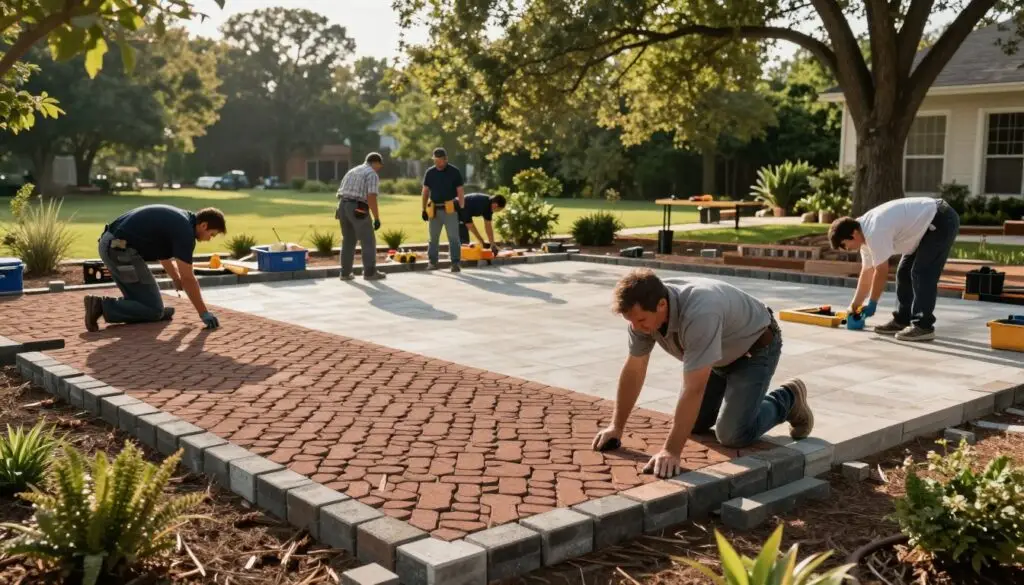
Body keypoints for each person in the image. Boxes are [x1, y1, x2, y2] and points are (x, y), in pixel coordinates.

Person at [591, 269, 814, 479]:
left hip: (754, 350)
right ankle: (737, 399)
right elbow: (634, 370)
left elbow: (693, 388)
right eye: (630, 322)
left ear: (661, 304)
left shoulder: (700, 312)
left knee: (732, 434)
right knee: (693, 423)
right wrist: (616, 427)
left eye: (640, 321)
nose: (636, 328)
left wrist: (671, 450)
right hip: (717, 356)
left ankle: (788, 398)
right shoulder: (642, 315)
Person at [828, 197, 960, 342]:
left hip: (940, 220)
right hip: (925, 226)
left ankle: (923, 326)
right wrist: (854, 306)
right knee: (904, 272)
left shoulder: (874, 230)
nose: (848, 249)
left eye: (845, 245)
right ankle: (902, 320)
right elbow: (867, 272)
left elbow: (881, 271)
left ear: (853, 234)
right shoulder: (864, 234)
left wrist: (872, 303)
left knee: (922, 272)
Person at [84, 205, 226, 332]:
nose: (209, 239)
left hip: (113, 245)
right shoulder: (185, 232)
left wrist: (176, 278)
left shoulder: (183, 220)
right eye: (211, 234)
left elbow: (163, 254)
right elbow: (188, 278)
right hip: (119, 251)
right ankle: (100, 306)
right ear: (204, 225)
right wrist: (203, 313)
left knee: (150, 305)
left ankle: (150, 309)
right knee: (154, 310)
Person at [336, 152, 386, 281]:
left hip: (342, 205)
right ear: (375, 162)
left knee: (348, 239)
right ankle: (370, 273)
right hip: (357, 207)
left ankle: (345, 273)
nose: (379, 168)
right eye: (379, 165)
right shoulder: (371, 174)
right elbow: (371, 197)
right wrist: (376, 218)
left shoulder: (352, 171)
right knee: (368, 240)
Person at [421, 147, 465, 272]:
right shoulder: (430, 172)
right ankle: (432, 262)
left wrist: (461, 208)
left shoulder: (454, 172)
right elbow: (425, 192)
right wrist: (423, 209)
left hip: (450, 209)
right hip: (434, 209)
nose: (437, 163)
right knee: (433, 238)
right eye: (435, 160)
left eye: (440, 160)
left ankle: (455, 263)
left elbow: (460, 192)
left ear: (445, 159)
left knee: (453, 237)